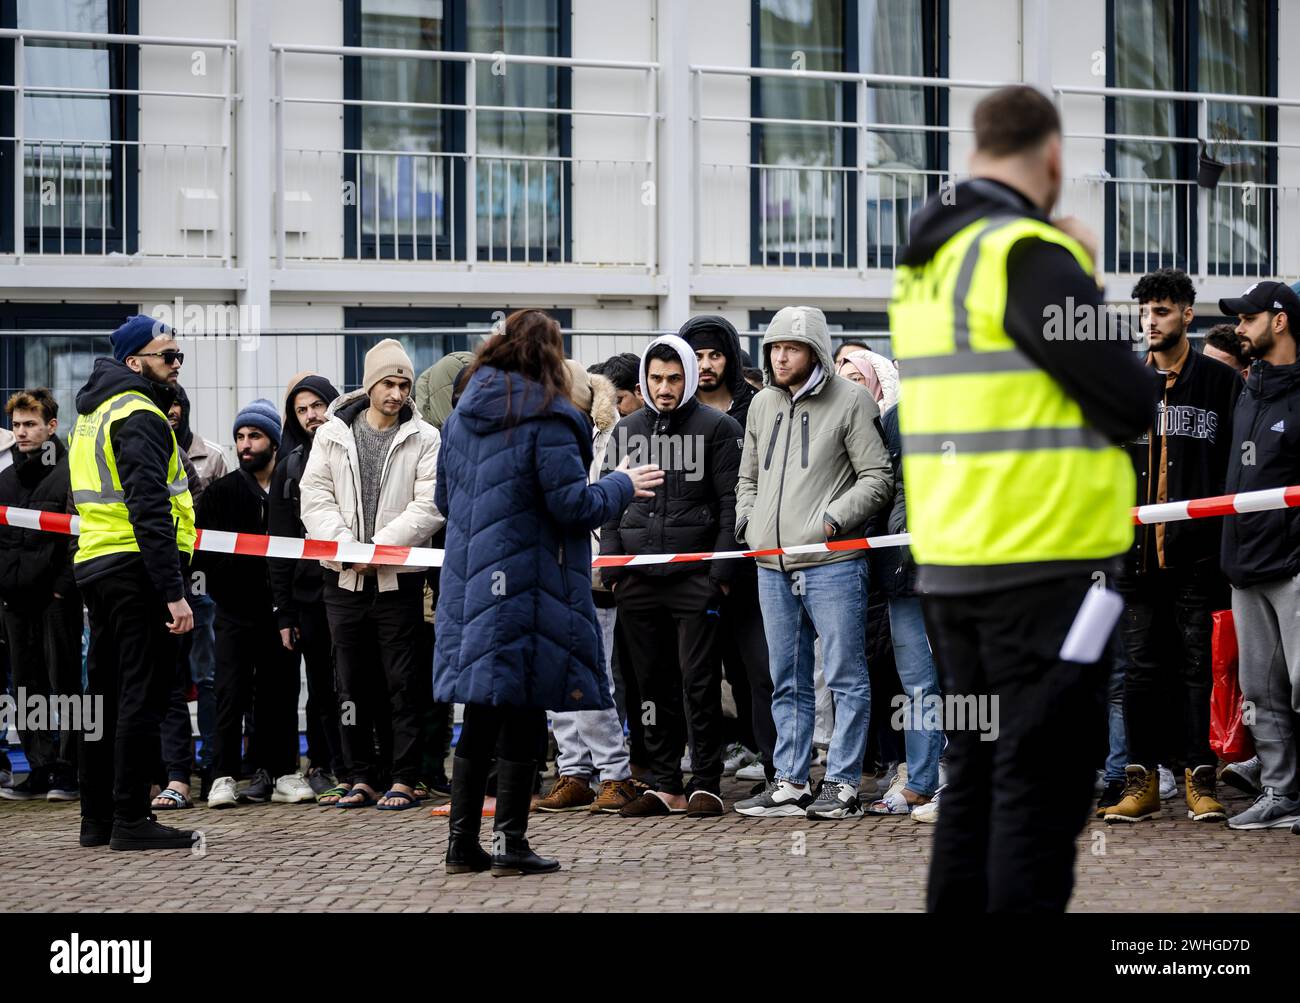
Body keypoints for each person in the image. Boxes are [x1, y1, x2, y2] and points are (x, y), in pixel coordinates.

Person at [888, 86, 1158, 910]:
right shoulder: (1026, 254)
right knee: (1038, 794)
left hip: (952, 568)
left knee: (973, 781)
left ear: (975, 155)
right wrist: (1083, 275)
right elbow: (1133, 400)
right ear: (1051, 159)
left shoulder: (929, 269)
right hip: (1040, 568)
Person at [435, 310, 662, 875]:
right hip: (532, 584)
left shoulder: (461, 419)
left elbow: (444, 499)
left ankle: (462, 846)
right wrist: (621, 485)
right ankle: (511, 843)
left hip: (473, 583)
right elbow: (571, 505)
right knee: (525, 711)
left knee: (483, 712)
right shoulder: (553, 418)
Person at [733, 305, 893, 821]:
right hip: (771, 562)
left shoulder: (852, 400)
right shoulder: (760, 405)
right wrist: (748, 524)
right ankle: (791, 782)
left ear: (816, 351)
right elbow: (748, 478)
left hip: (832, 561)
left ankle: (844, 785)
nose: (781, 356)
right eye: (775, 347)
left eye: (793, 347)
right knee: (788, 677)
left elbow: (877, 478)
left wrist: (831, 522)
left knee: (847, 676)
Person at [1101, 268, 1238, 824]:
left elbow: (1234, 468)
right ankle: (1141, 782)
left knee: (1195, 667)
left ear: (1186, 313)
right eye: (1144, 313)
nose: (1150, 322)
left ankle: (1198, 780)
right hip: (1133, 555)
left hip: (1196, 553)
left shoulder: (1220, 384)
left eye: (1161, 312)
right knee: (1138, 669)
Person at [600, 333, 743, 819]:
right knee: (649, 685)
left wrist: (720, 574)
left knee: (698, 681)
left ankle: (706, 780)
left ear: (687, 378)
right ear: (645, 380)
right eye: (656, 378)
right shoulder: (627, 429)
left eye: (674, 378)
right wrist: (615, 568)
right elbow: (609, 501)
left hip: (695, 577)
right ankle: (665, 782)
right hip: (637, 578)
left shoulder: (717, 428)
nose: (664, 387)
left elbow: (730, 506)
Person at [70, 315, 198, 850]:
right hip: (134, 570)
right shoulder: (139, 413)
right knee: (140, 697)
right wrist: (173, 592)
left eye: (177, 357)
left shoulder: (94, 412)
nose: (175, 365)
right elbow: (149, 507)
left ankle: (97, 819)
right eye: (166, 356)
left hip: (97, 566)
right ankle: (130, 819)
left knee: (101, 697)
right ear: (133, 362)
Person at [300, 339, 442, 811]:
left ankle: (404, 777)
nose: (397, 393)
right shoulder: (332, 433)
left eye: (404, 383)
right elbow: (314, 495)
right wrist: (347, 548)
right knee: (350, 682)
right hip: (341, 580)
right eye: (388, 382)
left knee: (403, 682)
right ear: (369, 384)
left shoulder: (426, 438)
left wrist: (378, 549)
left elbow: (429, 506)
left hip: (397, 580)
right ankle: (360, 775)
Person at [534, 361, 641, 814]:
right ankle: (573, 770)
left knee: (593, 677)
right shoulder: (543, 434)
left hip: (594, 570)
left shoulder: (614, 435)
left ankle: (614, 774)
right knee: (553, 679)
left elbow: (611, 499)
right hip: (549, 569)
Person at [199, 400, 310, 808]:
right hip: (234, 613)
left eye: (255, 436)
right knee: (230, 693)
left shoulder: (292, 489)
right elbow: (203, 554)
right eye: (240, 437)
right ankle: (223, 777)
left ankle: (283, 772)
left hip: (282, 612)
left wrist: (288, 602)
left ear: (274, 442)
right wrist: (226, 591)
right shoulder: (221, 492)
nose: (246, 445)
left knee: (280, 693)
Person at [1218, 280, 1300, 830]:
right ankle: (1281, 792)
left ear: (1280, 321)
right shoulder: (1247, 388)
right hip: (1245, 566)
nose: (1239, 329)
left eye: (1248, 319)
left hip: (1291, 566)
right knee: (1260, 691)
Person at [680, 315, 776, 786]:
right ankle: (702, 772)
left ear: (731, 357)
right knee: (695, 675)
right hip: (687, 567)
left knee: (757, 670)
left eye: (715, 354)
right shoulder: (672, 412)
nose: (706, 365)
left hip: (748, 563)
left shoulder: (757, 406)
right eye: (696, 355)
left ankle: (778, 768)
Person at [0, 388, 81, 802]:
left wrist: (63, 589)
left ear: (51, 426)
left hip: (55, 600)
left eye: (30, 424)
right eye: (16, 425)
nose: (21, 432)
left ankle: (69, 769)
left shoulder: (70, 472)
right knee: (26, 688)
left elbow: (79, 534)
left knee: (64, 681)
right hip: (15, 601)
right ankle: (39, 767)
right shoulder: (5, 480)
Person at [268, 372, 345, 802]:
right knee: (320, 685)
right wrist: (285, 610)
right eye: (302, 409)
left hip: (353, 584)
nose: (312, 415)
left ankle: (358, 764)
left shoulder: (351, 451)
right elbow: (278, 545)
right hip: (309, 595)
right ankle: (321, 763)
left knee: (355, 681)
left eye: (318, 405)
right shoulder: (289, 465)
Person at [163, 384, 226, 799]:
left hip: (196, 584)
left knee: (207, 677)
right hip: (157, 582)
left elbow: (212, 520)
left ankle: (213, 767)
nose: (169, 413)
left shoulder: (207, 457)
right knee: (168, 682)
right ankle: (175, 775)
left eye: (174, 406)